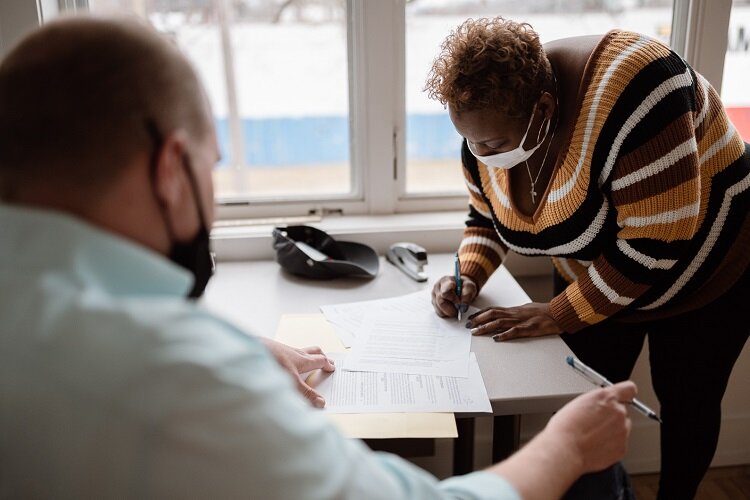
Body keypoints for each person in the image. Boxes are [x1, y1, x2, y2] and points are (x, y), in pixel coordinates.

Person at [0, 15, 636, 499]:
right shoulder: (183, 380)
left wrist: (245, 345)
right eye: (211, 169)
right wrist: (566, 446)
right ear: (171, 170)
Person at [427, 17, 750, 500]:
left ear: (544, 109)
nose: (478, 153)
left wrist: (558, 312)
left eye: (490, 144)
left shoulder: (642, 92)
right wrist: (467, 274)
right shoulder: (486, 126)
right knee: (585, 401)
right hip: (602, 271)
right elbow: (485, 217)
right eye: (469, 140)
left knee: (687, 401)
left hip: (710, 267)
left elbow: (653, 246)